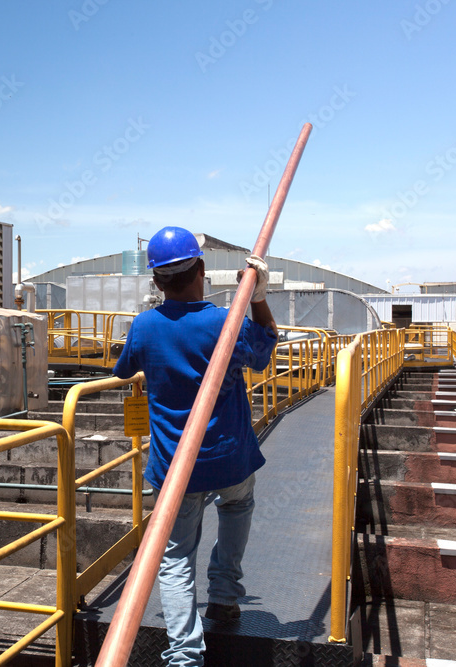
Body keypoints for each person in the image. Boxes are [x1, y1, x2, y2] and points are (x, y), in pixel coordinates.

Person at [112, 226, 277, 666]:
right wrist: (257, 296)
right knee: (237, 508)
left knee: (175, 556)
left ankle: (185, 654)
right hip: (229, 456)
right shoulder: (226, 321)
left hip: (174, 468)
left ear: (157, 281)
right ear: (201, 270)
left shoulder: (145, 325)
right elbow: (264, 352)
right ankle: (224, 596)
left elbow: (123, 368)